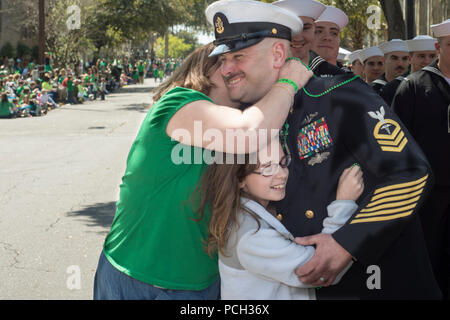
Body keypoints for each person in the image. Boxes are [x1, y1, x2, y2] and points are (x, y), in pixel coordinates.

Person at [94, 0, 312, 300]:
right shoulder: (177, 103)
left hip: (201, 284)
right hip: (139, 279)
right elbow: (245, 135)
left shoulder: (246, 114)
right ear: (204, 70)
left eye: (237, 60)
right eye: (223, 62)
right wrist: (289, 80)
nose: (231, 70)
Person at [198, 139, 363, 300]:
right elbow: (320, 273)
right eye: (268, 168)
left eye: (283, 163)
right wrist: (344, 204)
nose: (283, 174)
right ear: (240, 179)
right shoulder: (253, 237)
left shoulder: (245, 214)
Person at [391, 19, 450, 299]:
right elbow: (395, 146)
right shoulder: (413, 87)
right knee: (430, 259)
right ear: (439, 47)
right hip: (428, 196)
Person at [273, 0, 348, 78]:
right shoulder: (265, 72)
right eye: (319, 31)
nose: (297, 37)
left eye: (305, 28)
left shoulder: (344, 79)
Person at [381, 36, 437, 107]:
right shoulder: (393, 88)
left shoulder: (443, 83)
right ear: (410, 58)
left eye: (432, 56)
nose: (427, 61)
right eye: (421, 56)